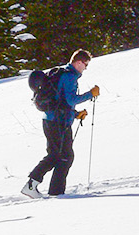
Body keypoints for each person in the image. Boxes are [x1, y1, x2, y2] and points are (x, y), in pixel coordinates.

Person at [24, 49, 98, 197]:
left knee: (60, 155)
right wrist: (91, 94)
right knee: (62, 156)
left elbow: (62, 102)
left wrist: (76, 114)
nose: (85, 68)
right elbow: (71, 100)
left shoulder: (62, 74)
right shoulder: (69, 77)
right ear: (78, 62)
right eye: (85, 64)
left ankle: (52, 191)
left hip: (53, 120)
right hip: (58, 122)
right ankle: (37, 186)